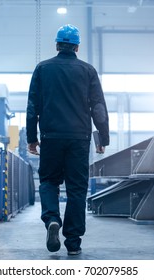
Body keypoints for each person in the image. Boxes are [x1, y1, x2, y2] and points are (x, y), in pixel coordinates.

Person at [26, 24, 109, 256]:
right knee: (77, 189)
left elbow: (33, 107)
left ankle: (52, 219)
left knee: (49, 182)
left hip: (51, 137)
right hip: (79, 139)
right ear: (77, 47)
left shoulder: (42, 69)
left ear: (57, 45)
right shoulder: (88, 71)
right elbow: (99, 107)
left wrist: (31, 138)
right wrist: (102, 136)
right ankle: (73, 242)